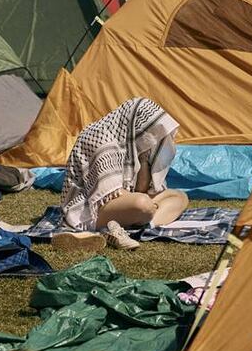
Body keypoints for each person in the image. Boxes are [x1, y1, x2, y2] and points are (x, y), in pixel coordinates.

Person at [54, 97, 189, 251]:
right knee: (143, 204)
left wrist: (143, 159)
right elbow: (108, 194)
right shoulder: (100, 138)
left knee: (179, 197)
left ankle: (139, 225)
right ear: (137, 125)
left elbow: (141, 189)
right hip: (89, 209)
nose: (151, 138)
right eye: (149, 132)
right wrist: (148, 204)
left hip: (124, 201)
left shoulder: (132, 143)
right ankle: (132, 222)